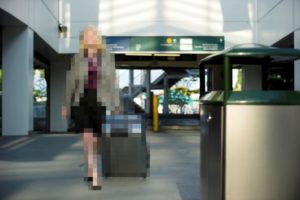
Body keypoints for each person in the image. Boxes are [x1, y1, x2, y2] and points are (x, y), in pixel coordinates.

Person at [62, 26, 120, 190]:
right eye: (87, 36)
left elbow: (112, 83)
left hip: (100, 101)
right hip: (82, 100)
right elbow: (71, 82)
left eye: (93, 35)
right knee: (87, 138)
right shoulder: (77, 58)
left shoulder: (108, 58)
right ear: (83, 40)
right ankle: (95, 175)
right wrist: (66, 104)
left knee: (96, 140)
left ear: (98, 38)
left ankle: (89, 167)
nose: (90, 38)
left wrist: (116, 104)